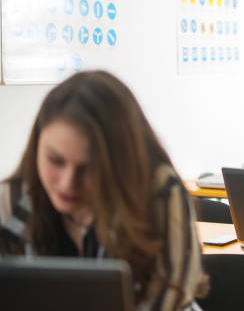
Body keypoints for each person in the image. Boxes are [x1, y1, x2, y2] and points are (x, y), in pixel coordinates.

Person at [0, 71, 208, 310]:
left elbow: (165, 302)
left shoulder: (159, 196)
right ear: (36, 147)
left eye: (88, 168)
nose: (68, 183)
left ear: (120, 163)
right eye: (55, 161)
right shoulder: (13, 198)